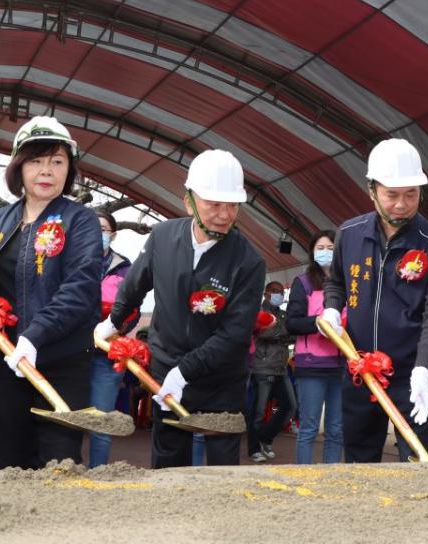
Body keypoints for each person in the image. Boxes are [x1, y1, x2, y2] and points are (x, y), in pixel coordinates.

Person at [0, 115, 103, 469]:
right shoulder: (4, 218)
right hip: (9, 358)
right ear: (19, 167)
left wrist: (35, 336)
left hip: (60, 357)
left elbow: (80, 288)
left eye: (57, 162)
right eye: (36, 161)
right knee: (10, 455)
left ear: (70, 170)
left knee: (57, 458)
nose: (46, 171)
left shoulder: (81, 221)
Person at [98, 149, 265, 469]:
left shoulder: (248, 261)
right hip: (167, 367)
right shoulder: (163, 237)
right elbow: (135, 284)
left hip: (220, 381)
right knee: (169, 461)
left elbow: (234, 334)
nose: (224, 213)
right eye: (213, 204)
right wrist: (113, 320)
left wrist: (185, 371)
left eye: (232, 205)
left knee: (221, 467)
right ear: (189, 201)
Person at [321, 138, 428, 462]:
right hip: (360, 371)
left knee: (416, 459)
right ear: (372, 191)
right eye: (391, 195)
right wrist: (332, 307)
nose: (401, 204)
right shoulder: (349, 234)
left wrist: (424, 369)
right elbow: (336, 282)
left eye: (411, 194)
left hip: (411, 374)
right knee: (360, 459)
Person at [286, 230, 345, 464]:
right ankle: (305, 476)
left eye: (331, 248)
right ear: (312, 252)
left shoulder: (347, 281)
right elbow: (291, 323)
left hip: (342, 365)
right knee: (309, 428)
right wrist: (318, 323)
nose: (325, 252)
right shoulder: (303, 282)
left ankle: (330, 477)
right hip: (311, 366)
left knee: (336, 430)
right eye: (320, 248)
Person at [89, 212, 134, 468]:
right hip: (70, 355)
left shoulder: (125, 268)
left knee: (101, 423)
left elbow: (131, 306)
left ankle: (98, 474)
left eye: (104, 229)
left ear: (113, 235)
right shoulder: (68, 260)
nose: (99, 234)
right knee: (66, 418)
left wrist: (116, 325)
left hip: (106, 356)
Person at [247, 281, 296, 463]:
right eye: (275, 291)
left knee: (290, 406)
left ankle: (265, 438)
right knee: (258, 412)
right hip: (262, 367)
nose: (279, 294)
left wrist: (278, 331)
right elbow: (263, 333)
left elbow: (294, 334)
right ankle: (254, 449)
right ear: (266, 293)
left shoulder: (283, 314)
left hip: (281, 368)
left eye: (281, 292)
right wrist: (282, 332)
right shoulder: (258, 313)